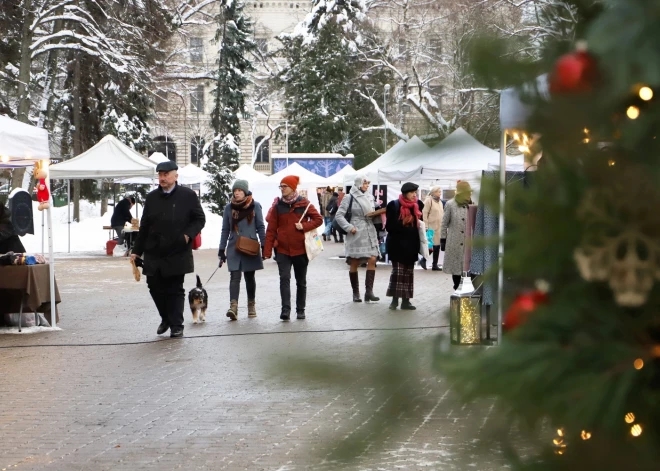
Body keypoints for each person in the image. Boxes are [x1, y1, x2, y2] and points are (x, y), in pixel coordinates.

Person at [130, 161, 205, 338]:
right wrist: (136, 251)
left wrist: (188, 235)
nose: (162, 178)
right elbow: (145, 226)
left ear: (175, 176)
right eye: (160, 175)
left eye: (166, 174)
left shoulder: (188, 195)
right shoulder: (152, 197)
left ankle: (177, 325)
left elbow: (199, 219)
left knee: (174, 288)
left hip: (177, 249)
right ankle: (166, 318)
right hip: (154, 250)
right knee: (154, 286)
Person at [263, 175, 323, 321]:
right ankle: (286, 310)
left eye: (285, 186)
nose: (282, 189)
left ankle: (300, 309)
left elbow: (318, 219)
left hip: (301, 250)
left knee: (300, 280)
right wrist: (267, 250)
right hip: (282, 250)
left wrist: (304, 226)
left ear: (293, 188)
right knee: (284, 278)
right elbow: (271, 229)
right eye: (281, 186)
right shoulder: (278, 207)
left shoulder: (304, 204)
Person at [218, 179, 266, 320]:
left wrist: (264, 245)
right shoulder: (229, 208)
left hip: (250, 245)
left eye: (239, 190)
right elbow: (225, 229)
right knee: (235, 276)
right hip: (234, 246)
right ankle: (233, 307)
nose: (237, 193)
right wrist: (222, 249)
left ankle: (251, 305)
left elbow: (260, 227)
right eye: (235, 190)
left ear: (245, 192)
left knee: (250, 277)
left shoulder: (255, 206)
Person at [335, 175, 380, 303]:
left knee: (372, 258)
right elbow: (339, 215)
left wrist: (377, 215)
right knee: (355, 261)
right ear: (359, 184)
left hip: (369, 230)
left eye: (368, 183)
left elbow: (371, 212)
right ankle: (356, 293)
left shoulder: (370, 197)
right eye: (365, 183)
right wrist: (349, 227)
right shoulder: (349, 197)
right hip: (356, 231)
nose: (367, 185)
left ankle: (369, 292)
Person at [385, 182, 424, 310]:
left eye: (415, 192)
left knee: (408, 274)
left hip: (411, 245)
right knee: (398, 273)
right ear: (405, 193)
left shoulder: (417, 206)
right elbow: (389, 227)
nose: (414, 195)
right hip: (397, 245)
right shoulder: (393, 205)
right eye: (412, 192)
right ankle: (394, 300)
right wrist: (403, 224)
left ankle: (406, 301)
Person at [441, 181, 473, 290]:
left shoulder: (472, 204)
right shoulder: (450, 204)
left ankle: (467, 292)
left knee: (469, 269)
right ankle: (457, 290)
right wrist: (443, 239)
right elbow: (444, 223)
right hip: (454, 242)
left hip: (469, 243)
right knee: (456, 269)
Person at [422, 186, 445, 271]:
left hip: (439, 227)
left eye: (440, 191)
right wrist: (426, 225)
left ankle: (434, 264)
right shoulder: (429, 201)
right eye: (438, 191)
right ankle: (423, 260)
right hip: (431, 227)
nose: (440, 193)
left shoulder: (440, 202)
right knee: (431, 246)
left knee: (437, 246)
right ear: (434, 192)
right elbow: (424, 214)